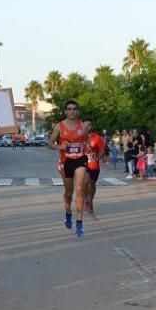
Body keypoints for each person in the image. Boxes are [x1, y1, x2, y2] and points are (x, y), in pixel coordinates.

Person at [48, 99, 89, 236]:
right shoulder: (59, 126)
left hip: (80, 160)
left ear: (77, 111)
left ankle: (79, 223)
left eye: (74, 109)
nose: (72, 111)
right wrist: (60, 146)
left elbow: (87, 141)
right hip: (66, 161)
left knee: (79, 188)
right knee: (69, 193)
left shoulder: (82, 126)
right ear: (66, 111)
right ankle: (68, 213)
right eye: (69, 109)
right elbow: (50, 143)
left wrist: (87, 147)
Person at [83, 119, 104, 212]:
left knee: (92, 185)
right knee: (85, 182)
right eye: (85, 125)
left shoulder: (97, 138)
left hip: (94, 164)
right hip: (83, 164)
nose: (87, 127)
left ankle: (90, 201)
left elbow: (102, 150)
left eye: (89, 125)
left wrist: (97, 158)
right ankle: (86, 200)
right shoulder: (79, 137)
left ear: (91, 127)